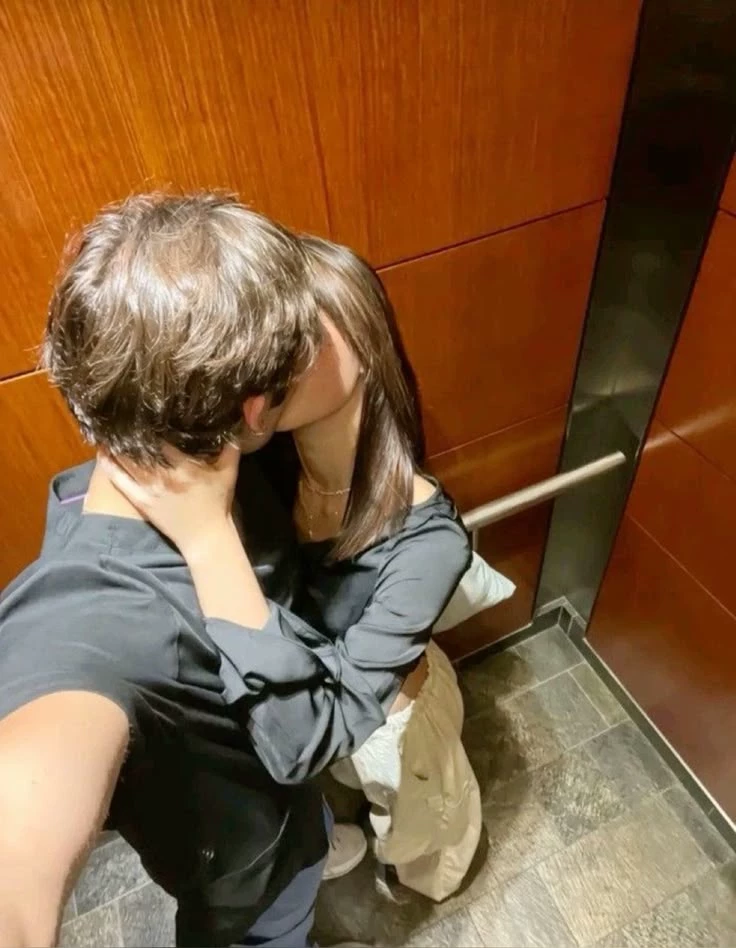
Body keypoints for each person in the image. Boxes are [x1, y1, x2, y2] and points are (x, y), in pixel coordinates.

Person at [0, 193, 469, 948]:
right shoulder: (115, 586)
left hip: (301, 789)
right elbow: (26, 818)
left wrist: (211, 536)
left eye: (300, 332)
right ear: (256, 407)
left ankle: (320, 841)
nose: (288, 352)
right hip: (246, 868)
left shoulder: (277, 482)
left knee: (319, 836)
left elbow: (314, 718)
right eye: (283, 343)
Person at [102, 234, 483, 902]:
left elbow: (318, 731)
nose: (260, 363)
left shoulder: (429, 540)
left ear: (363, 341)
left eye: (292, 339)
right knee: (356, 787)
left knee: (424, 838)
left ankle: (429, 882)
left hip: (396, 719)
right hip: (316, 708)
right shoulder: (259, 466)